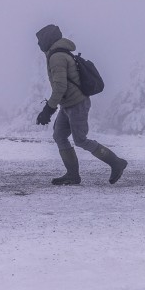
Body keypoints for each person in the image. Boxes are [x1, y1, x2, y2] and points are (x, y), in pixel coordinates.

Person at [35, 24, 127, 186]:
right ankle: (72, 175)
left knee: (80, 140)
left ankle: (116, 162)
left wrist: (48, 109)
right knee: (59, 136)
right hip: (68, 104)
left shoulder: (57, 57)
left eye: (39, 40)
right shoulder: (57, 54)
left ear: (47, 39)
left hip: (77, 104)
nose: (38, 44)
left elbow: (60, 86)